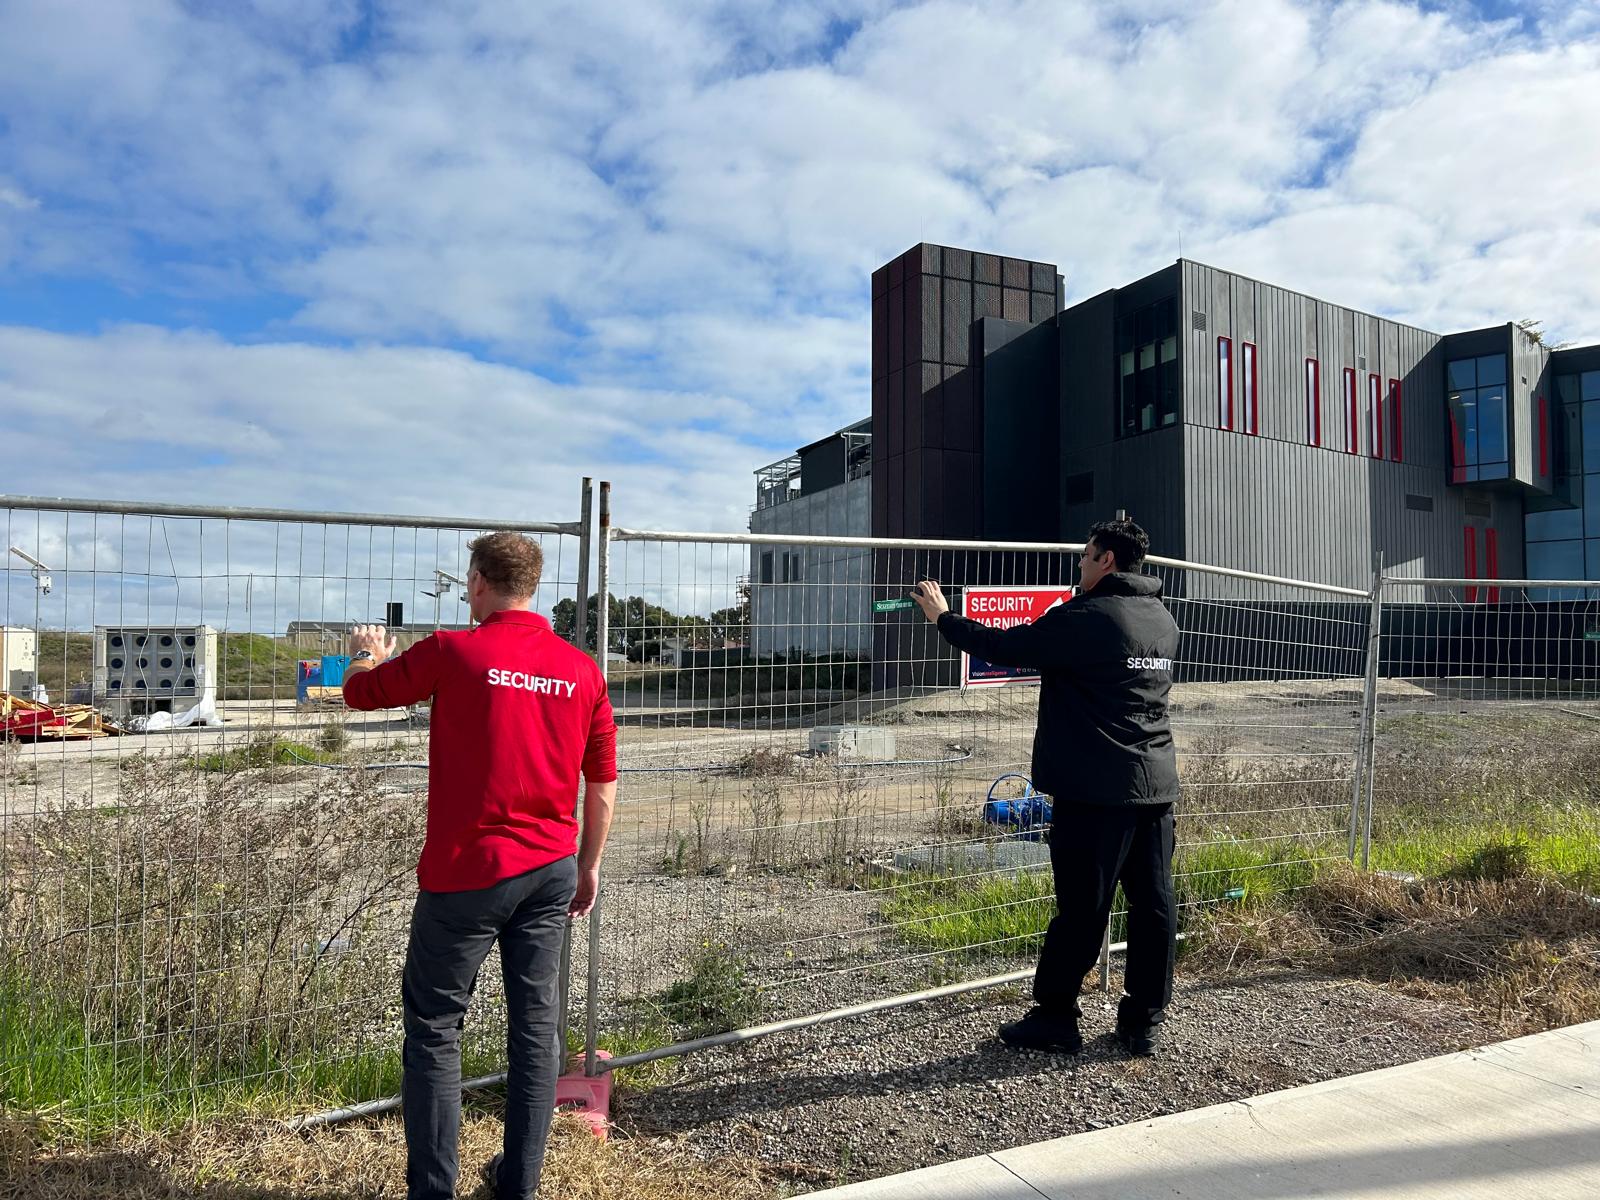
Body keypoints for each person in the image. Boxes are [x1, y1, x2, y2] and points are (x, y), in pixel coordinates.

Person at [343, 531, 617, 1199]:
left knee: (435, 1028)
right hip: (551, 868)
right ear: (533, 587)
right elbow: (602, 783)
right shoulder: (582, 670)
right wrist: (589, 866)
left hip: (468, 872)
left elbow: (362, 695)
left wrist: (363, 656)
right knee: (535, 1030)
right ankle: (516, 1185)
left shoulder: (452, 651)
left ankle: (433, 1190)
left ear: (477, 583)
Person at [909, 517, 1179, 1056]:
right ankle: (1142, 1021)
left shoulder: (1089, 617)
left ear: (1106, 560)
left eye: (1085, 555)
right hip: (1155, 785)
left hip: (1095, 791)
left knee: (1082, 909)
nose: (1078, 564)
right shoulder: (1160, 619)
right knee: (1153, 905)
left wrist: (944, 619)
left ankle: (1055, 1017)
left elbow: (1008, 647)